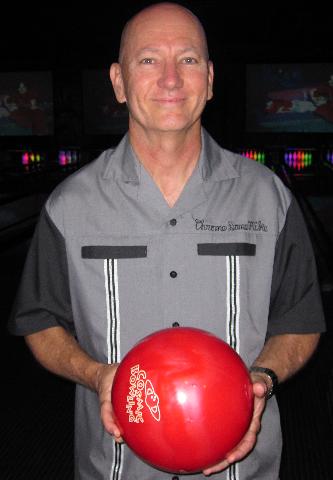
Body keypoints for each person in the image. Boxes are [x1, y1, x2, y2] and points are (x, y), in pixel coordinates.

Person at [8, 2, 325, 479]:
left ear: (211, 78)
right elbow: (38, 320)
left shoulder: (269, 197)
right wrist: (96, 376)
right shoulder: (68, 205)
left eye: (189, 60)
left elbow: (300, 321)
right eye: (149, 60)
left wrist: (260, 380)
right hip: (115, 468)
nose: (171, 79)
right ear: (118, 81)